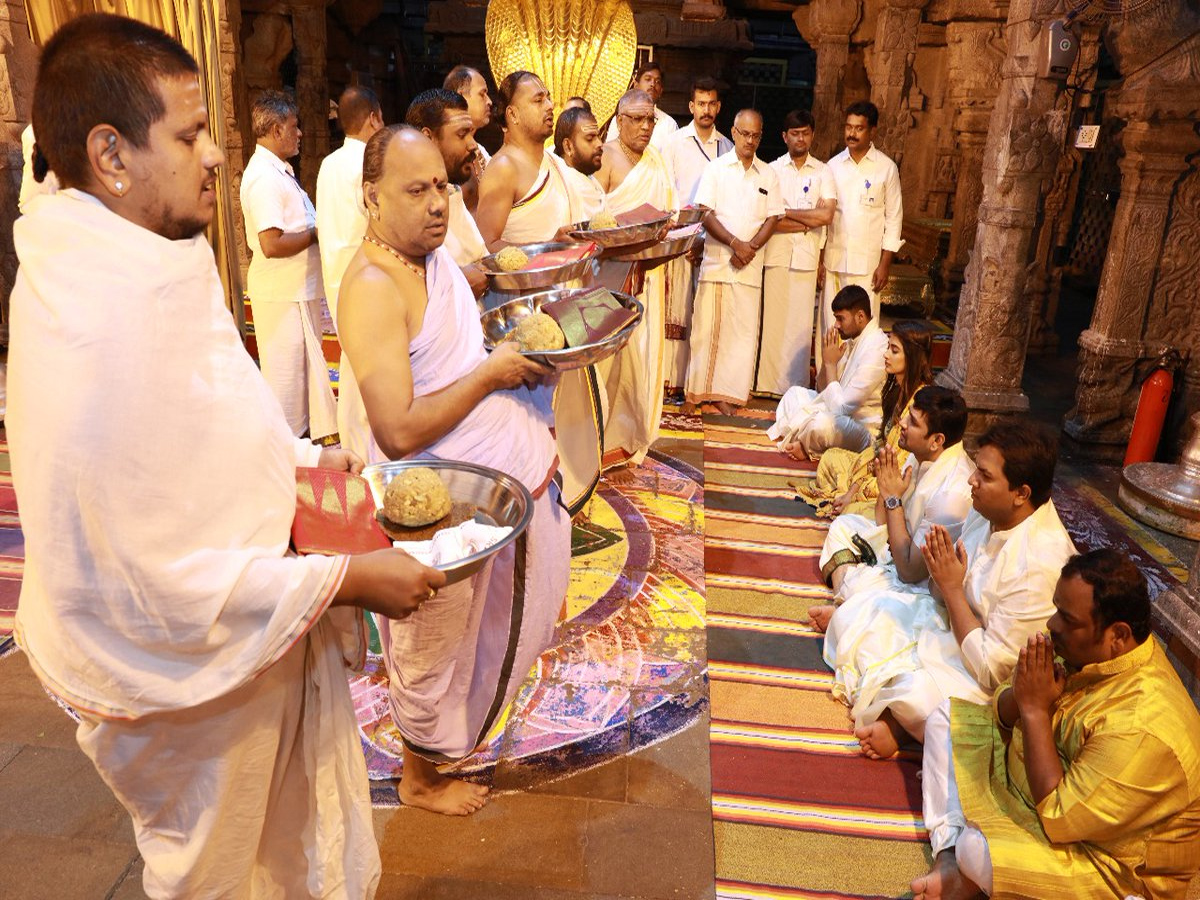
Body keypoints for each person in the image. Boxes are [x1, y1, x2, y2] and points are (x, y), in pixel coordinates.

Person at [11, 14, 448, 896]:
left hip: (250, 621)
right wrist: (343, 581)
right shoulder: (93, 325)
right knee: (220, 873)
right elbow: (141, 580)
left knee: (278, 860)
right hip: (189, 679)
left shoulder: (142, 259)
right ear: (111, 153)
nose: (217, 155)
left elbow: (214, 425)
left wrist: (310, 475)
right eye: (190, 132)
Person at [335, 125, 570, 816]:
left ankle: (447, 749)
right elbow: (399, 429)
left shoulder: (425, 261)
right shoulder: (374, 284)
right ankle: (421, 777)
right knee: (432, 644)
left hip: (490, 481)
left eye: (442, 183)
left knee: (483, 628)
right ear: (371, 198)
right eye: (417, 190)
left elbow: (453, 330)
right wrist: (494, 372)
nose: (439, 202)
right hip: (443, 499)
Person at [915, 550, 1200, 900]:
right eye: (1056, 610)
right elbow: (1002, 705)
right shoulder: (1092, 649)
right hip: (1037, 789)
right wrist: (1022, 698)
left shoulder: (1143, 727)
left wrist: (1034, 710)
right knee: (946, 719)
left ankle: (968, 861)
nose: (1052, 625)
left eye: (1067, 618)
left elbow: (1059, 817)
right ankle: (949, 857)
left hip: (1107, 862)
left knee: (977, 849)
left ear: (1118, 635)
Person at [826, 422, 1076, 761]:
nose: (971, 480)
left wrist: (952, 590)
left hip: (981, 674)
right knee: (857, 614)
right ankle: (898, 716)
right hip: (948, 623)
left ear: (1021, 493)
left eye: (984, 476)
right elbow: (937, 581)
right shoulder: (987, 510)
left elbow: (994, 673)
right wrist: (945, 585)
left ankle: (901, 725)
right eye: (976, 470)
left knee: (913, 693)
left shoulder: (1037, 565)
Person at [807, 385, 974, 631]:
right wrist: (887, 494)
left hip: (921, 585)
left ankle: (848, 607)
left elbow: (909, 572)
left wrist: (893, 499)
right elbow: (881, 522)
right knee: (843, 526)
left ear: (937, 441)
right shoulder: (921, 456)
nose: (902, 423)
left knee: (866, 588)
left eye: (913, 422)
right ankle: (847, 601)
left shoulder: (951, 497)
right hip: (897, 549)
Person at [240, 89, 337, 440]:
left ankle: (303, 456)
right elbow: (272, 243)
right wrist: (316, 233)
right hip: (281, 299)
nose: (299, 134)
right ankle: (285, 462)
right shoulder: (264, 178)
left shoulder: (278, 172)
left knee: (303, 383)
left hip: (294, 293)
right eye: (294, 127)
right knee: (286, 389)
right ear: (277, 129)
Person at [594, 88, 677, 471]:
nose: (645, 127)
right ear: (620, 119)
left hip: (651, 274)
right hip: (612, 275)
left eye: (651, 120)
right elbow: (593, 220)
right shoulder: (606, 157)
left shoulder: (656, 160)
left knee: (644, 357)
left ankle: (631, 438)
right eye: (638, 119)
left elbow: (669, 212)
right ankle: (601, 440)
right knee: (612, 361)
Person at [683, 109, 781, 416]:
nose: (750, 140)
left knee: (740, 335)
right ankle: (697, 391)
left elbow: (773, 217)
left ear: (760, 137)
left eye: (755, 135)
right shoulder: (716, 169)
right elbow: (705, 213)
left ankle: (728, 394)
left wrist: (749, 247)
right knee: (706, 331)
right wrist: (734, 244)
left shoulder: (769, 174)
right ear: (734, 133)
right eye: (744, 134)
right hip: (717, 263)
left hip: (749, 267)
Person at [796, 319, 934, 517]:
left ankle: (849, 502)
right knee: (830, 459)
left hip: (897, 481)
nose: (885, 355)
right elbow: (879, 447)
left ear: (912, 357)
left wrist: (855, 491)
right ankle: (847, 495)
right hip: (876, 463)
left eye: (894, 351)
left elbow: (899, 469)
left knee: (853, 509)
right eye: (888, 348)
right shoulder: (896, 391)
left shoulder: (918, 404)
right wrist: (856, 485)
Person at [755, 109, 836, 397]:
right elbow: (769, 219)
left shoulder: (824, 171)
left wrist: (786, 212)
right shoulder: (772, 170)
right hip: (775, 255)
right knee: (774, 322)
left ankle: (795, 389)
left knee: (800, 326)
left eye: (805, 133)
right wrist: (805, 220)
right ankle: (766, 386)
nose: (800, 138)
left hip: (807, 258)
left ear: (812, 135)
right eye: (795, 133)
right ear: (784, 137)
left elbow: (826, 216)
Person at [661, 76, 731, 394]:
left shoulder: (726, 147)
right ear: (691, 106)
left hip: (712, 241)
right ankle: (671, 381)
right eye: (700, 103)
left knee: (704, 314)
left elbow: (726, 203)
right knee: (674, 312)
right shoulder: (674, 143)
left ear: (718, 107)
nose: (705, 109)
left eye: (711, 103)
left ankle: (698, 382)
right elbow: (666, 193)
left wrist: (705, 239)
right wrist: (684, 237)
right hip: (679, 239)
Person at [820, 100, 903, 364]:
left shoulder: (886, 168)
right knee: (831, 326)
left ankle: (857, 386)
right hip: (834, 260)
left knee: (863, 331)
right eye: (848, 127)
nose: (852, 134)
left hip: (868, 266)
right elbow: (824, 217)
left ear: (872, 131)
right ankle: (827, 385)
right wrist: (820, 259)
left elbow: (894, 217)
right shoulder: (832, 166)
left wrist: (885, 264)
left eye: (859, 128)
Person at [768, 285, 888, 457]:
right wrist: (827, 362)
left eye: (841, 319)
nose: (836, 325)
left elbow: (842, 408)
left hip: (863, 429)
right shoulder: (854, 338)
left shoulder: (876, 348)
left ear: (860, 316)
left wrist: (832, 365)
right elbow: (823, 391)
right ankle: (804, 438)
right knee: (793, 395)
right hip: (839, 412)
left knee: (820, 424)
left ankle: (806, 445)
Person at [475, 70, 573, 248]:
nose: (550, 105)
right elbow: (486, 246)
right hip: (529, 275)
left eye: (548, 98)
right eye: (538, 100)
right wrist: (548, 247)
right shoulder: (503, 168)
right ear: (512, 115)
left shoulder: (552, 160)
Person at [405, 88, 488, 295]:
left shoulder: (452, 190)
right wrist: (458, 283)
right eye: (462, 134)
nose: (473, 145)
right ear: (427, 137)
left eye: (471, 133)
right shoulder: (404, 206)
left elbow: (479, 258)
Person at [316, 85, 383, 324]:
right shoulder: (371, 163)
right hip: (368, 281)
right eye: (381, 118)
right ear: (374, 119)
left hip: (335, 280)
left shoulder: (327, 164)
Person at [604, 61, 678, 150]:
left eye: (657, 82)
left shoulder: (669, 125)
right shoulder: (623, 118)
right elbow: (610, 151)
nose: (653, 84)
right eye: (648, 79)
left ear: (661, 91)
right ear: (636, 85)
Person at [553, 105, 606, 221]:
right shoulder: (558, 186)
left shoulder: (588, 179)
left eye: (598, 136)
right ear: (568, 146)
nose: (599, 144)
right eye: (590, 138)